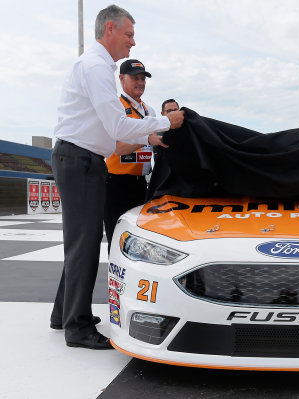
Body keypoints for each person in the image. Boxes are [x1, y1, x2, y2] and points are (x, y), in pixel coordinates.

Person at [50, 4, 184, 350]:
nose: (133, 42)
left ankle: (63, 313)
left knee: (82, 241)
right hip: (80, 160)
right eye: (128, 34)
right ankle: (77, 327)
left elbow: (112, 130)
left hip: (81, 158)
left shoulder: (96, 66)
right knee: (85, 243)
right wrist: (167, 123)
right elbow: (117, 127)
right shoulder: (95, 66)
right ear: (109, 29)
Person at [104, 59, 165, 253]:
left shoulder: (149, 111)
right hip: (116, 183)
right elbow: (117, 148)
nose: (140, 83)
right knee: (116, 238)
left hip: (141, 185)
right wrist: (147, 139)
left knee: (139, 240)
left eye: (143, 79)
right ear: (121, 79)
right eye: (135, 78)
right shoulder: (116, 106)